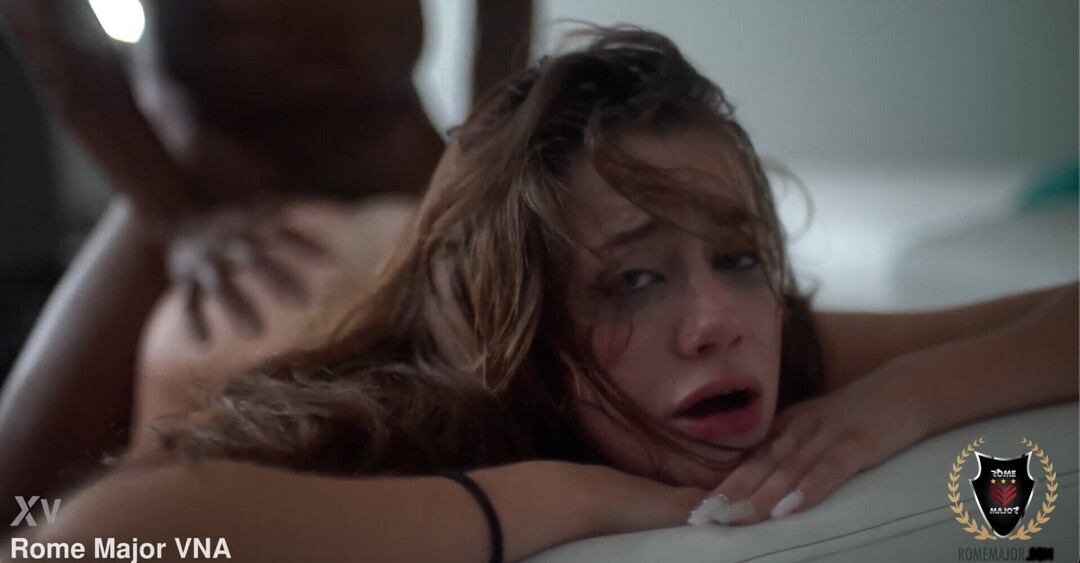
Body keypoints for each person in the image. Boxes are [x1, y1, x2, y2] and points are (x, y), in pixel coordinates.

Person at [8, 27, 1078, 562]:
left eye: (741, 257)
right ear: (521, 327)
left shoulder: (760, 341)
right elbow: (83, 542)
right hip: (250, 272)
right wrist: (561, 498)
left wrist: (900, 399)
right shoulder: (422, 415)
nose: (716, 323)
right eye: (634, 279)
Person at [0, 0, 533, 520]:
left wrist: (484, 153)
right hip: (204, 168)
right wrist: (175, 216)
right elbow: (39, 16)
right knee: (14, 487)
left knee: (525, 402)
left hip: (390, 142)